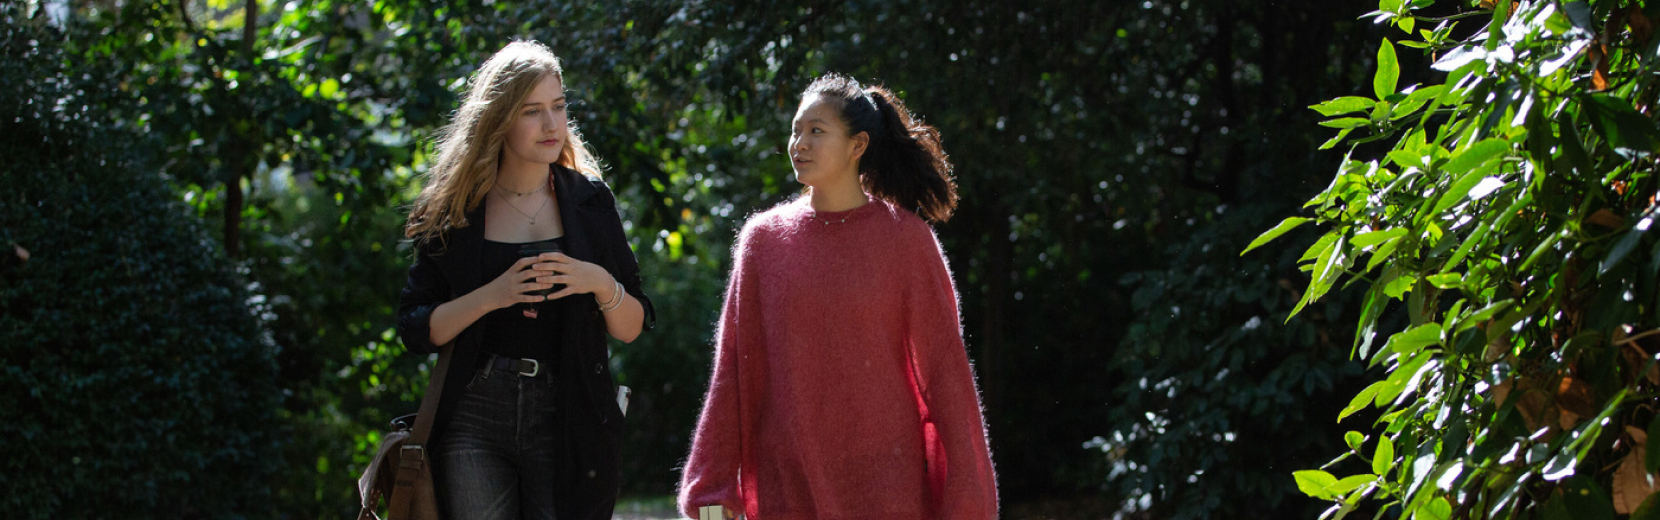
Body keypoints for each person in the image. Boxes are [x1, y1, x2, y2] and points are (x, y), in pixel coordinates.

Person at [678, 73, 998, 520]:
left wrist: (968, 497)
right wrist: (710, 487)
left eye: (816, 130)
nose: (799, 143)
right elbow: (734, 368)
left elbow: (945, 371)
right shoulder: (763, 241)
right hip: (786, 481)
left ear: (858, 144)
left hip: (886, 481)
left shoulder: (906, 241)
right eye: (795, 130)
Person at [396, 40, 653, 520]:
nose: (552, 125)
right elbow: (415, 327)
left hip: (567, 408)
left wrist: (596, 281)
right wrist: (494, 296)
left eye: (558, 107)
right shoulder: (457, 209)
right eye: (532, 111)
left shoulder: (589, 201)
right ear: (499, 120)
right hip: (475, 409)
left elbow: (632, 325)